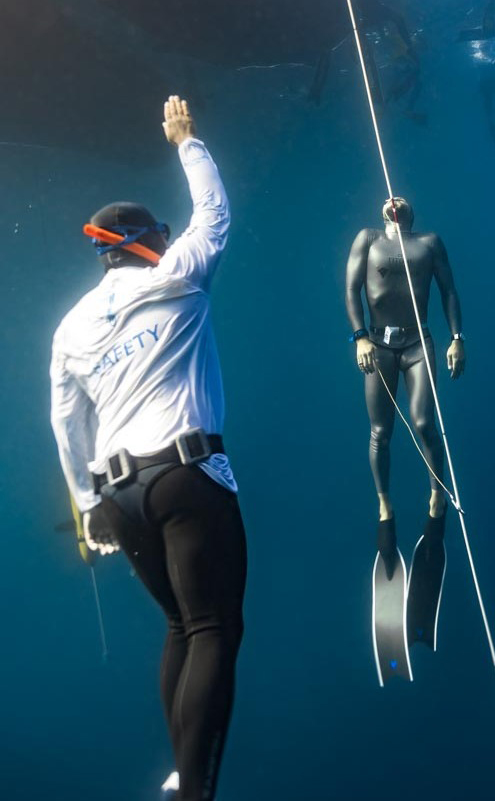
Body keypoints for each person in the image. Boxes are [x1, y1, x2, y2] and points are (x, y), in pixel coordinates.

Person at [50, 96, 246, 801]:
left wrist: (88, 508)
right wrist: (187, 142)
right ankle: (195, 792)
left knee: (179, 624)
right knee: (214, 626)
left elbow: (65, 422)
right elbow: (214, 215)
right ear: (142, 241)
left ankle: (179, 776)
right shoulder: (178, 276)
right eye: (159, 234)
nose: (168, 241)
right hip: (184, 473)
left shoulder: (70, 328)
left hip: (121, 496)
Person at [345, 197, 465, 578]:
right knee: (380, 431)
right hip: (378, 344)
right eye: (389, 198)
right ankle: (385, 507)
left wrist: (457, 339)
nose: (394, 198)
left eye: (402, 199)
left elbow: (448, 290)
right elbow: (351, 290)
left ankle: (437, 497)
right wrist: (360, 337)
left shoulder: (429, 242)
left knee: (423, 422)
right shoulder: (368, 239)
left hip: (418, 344)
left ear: (412, 212)